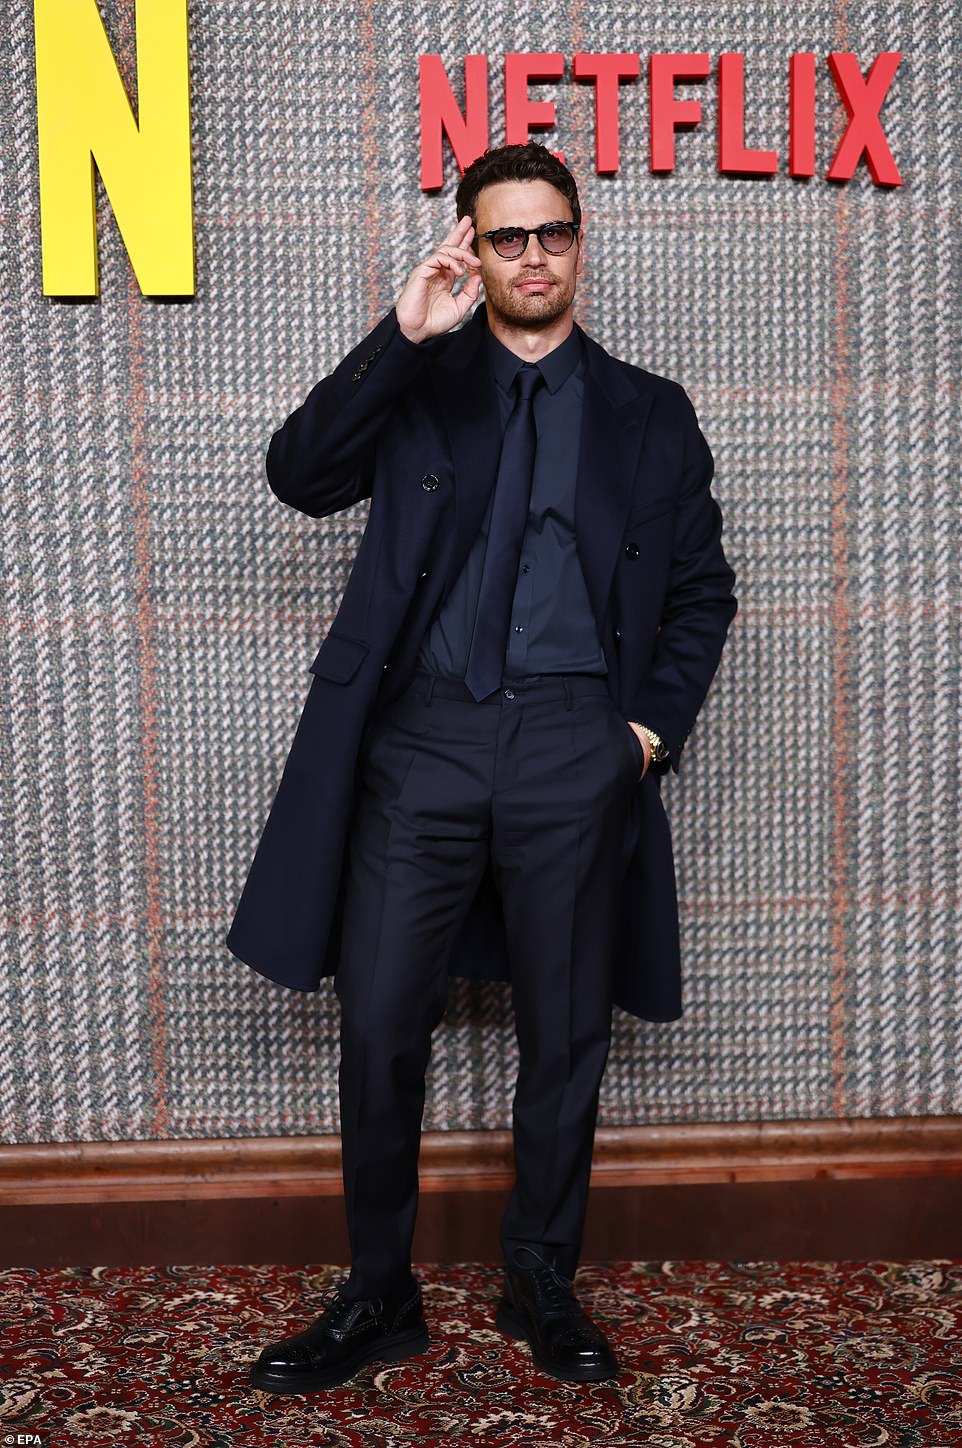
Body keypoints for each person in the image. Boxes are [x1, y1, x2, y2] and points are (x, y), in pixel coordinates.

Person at [238, 142, 737, 1393]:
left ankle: (539, 1275)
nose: (529, 256)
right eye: (503, 236)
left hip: (577, 742)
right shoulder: (422, 382)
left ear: (580, 241)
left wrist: (638, 734)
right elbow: (298, 476)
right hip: (423, 744)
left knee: (565, 1028)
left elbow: (698, 594)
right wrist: (403, 336)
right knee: (379, 1016)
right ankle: (377, 1290)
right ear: (469, 245)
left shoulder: (649, 414)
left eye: (550, 233)